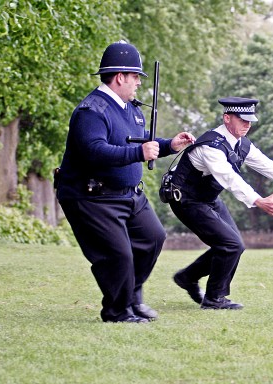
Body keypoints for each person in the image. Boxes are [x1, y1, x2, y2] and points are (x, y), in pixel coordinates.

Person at [55, 40, 194, 323]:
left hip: (128, 194)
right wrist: (138, 153)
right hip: (91, 196)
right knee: (118, 255)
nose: (139, 84)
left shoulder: (131, 109)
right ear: (120, 77)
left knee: (152, 238)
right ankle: (117, 311)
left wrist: (170, 145)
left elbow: (142, 145)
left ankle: (131, 298)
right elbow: (94, 151)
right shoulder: (90, 111)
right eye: (135, 77)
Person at [170, 97, 273, 310]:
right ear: (227, 118)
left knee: (233, 246)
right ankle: (214, 300)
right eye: (242, 120)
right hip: (186, 200)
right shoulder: (211, 146)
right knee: (231, 245)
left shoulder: (240, 144)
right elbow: (229, 178)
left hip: (208, 199)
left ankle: (187, 277)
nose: (247, 125)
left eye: (250, 120)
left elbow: (270, 167)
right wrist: (257, 200)